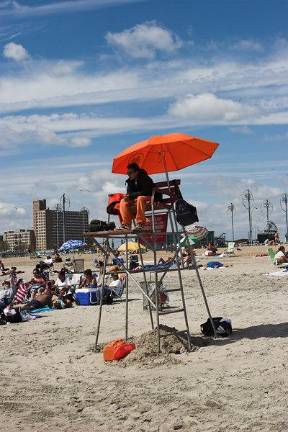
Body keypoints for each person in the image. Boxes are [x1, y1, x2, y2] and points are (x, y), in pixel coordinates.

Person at [118, 163, 159, 232]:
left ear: (137, 172)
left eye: (130, 173)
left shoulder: (145, 178)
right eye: (127, 173)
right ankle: (126, 224)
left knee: (140, 198)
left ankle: (140, 223)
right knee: (123, 201)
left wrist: (132, 195)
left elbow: (146, 192)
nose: (128, 174)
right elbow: (130, 193)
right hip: (138, 199)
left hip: (150, 197)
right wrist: (128, 196)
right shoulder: (130, 181)